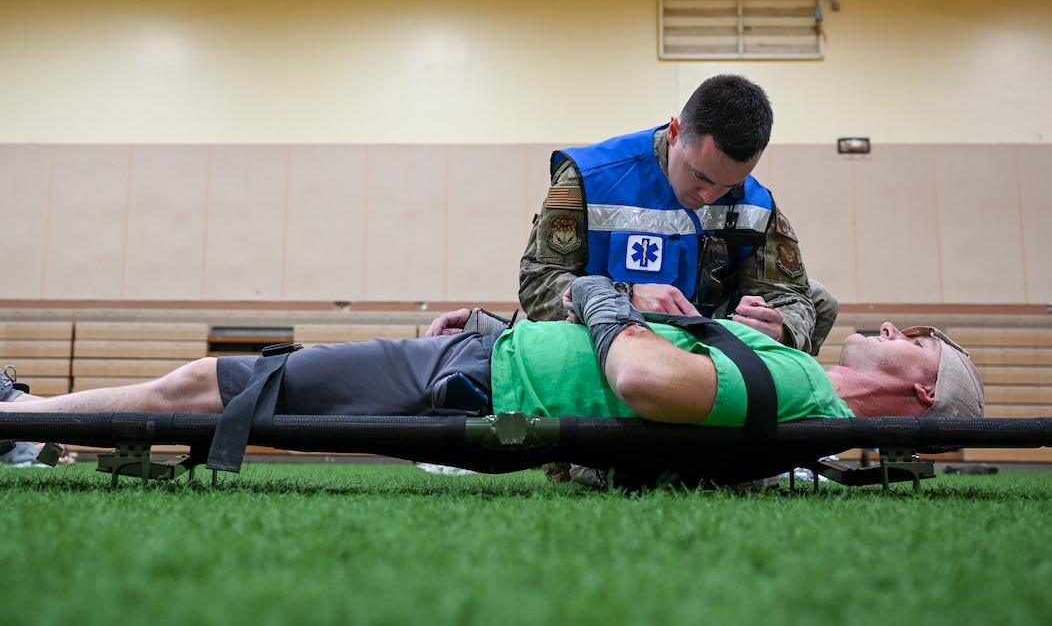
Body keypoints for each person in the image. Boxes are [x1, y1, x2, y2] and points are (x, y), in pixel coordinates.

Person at [0, 278, 984, 455]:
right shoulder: (796, 381)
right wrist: (491, 316)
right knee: (205, 388)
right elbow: (629, 367)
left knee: (201, 385)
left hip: (472, 381)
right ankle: (32, 419)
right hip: (483, 356)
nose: (891, 325)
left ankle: (24, 424)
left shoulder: (803, 392)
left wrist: (600, 298)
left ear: (921, 389)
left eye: (912, 339)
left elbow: (641, 379)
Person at [519, 73, 837, 357]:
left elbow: (792, 296)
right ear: (674, 131)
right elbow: (538, 282)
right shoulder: (589, 178)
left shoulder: (755, 204)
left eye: (730, 184)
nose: (709, 197)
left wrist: (779, 328)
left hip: (707, 362)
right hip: (606, 348)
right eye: (701, 176)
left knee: (820, 298)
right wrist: (622, 298)